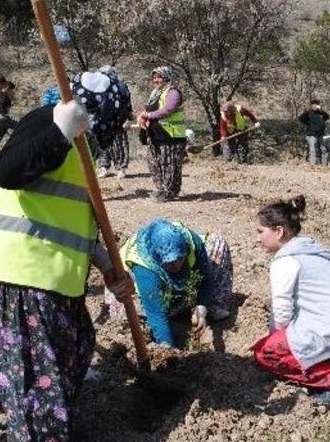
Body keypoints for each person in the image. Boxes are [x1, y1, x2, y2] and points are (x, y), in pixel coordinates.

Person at [0, 102, 132, 442]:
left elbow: (71, 220)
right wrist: (59, 131)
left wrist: (106, 266)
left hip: (57, 281)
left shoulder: (82, 149)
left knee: (78, 345)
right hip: (19, 276)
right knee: (35, 393)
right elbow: (6, 172)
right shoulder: (47, 122)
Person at [252, 196, 330, 404]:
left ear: (279, 231)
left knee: (266, 352)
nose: (257, 238)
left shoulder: (284, 262)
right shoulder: (311, 253)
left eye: (261, 231)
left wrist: (270, 336)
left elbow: (281, 315)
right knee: (282, 340)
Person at [108, 218, 233, 347]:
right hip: (140, 295)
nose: (177, 265)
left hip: (177, 292)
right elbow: (157, 315)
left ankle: (212, 305)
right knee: (134, 321)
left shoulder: (191, 242)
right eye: (170, 263)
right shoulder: (144, 268)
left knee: (217, 242)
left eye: (180, 258)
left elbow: (205, 281)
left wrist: (201, 311)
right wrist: (168, 350)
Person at [138, 66, 187, 202]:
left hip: (171, 134)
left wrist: (148, 115)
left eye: (159, 77)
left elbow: (168, 109)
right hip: (155, 133)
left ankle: (169, 191)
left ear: (167, 77)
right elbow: (148, 109)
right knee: (154, 162)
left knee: (169, 164)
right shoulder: (155, 93)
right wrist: (143, 117)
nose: (156, 80)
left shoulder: (173, 92)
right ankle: (161, 189)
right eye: (154, 77)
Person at [96, 66, 133, 179]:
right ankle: (104, 167)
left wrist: (127, 119)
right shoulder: (98, 87)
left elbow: (127, 104)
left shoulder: (120, 86)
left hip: (117, 120)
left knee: (119, 145)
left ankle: (121, 168)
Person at [298, 99, 330, 165]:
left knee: (324, 149)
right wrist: (306, 111)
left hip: (321, 134)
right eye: (313, 104)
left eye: (317, 104)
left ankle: (324, 165)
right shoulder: (308, 113)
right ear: (311, 105)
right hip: (311, 134)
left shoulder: (321, 113)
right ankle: (313, 165)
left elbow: (327, 117)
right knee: (313, 150)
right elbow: (300, 118)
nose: (315, 106)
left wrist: (322, 111)